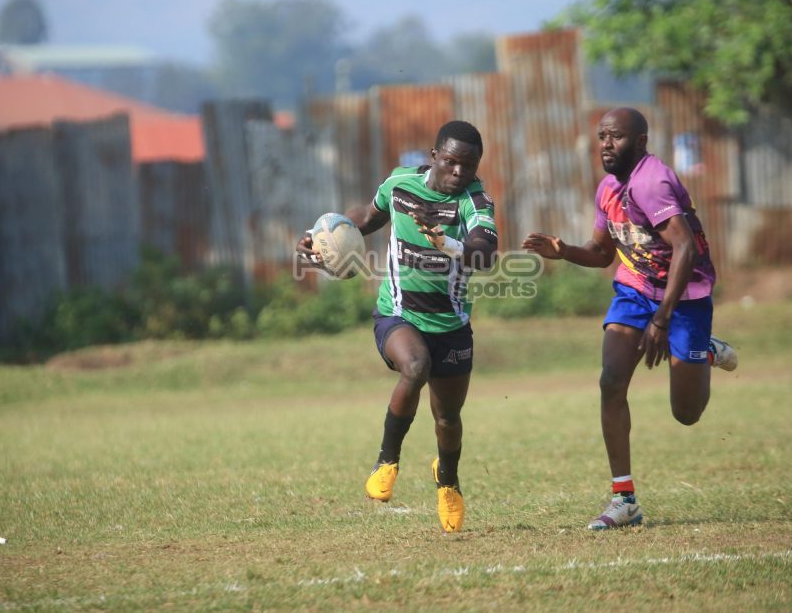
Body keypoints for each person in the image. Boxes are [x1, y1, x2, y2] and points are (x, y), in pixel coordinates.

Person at [522, 107, 737, 530]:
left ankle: (703, 351)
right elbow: (603, 253)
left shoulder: (652, 182)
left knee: (686, 413)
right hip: (635, 289)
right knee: (611, 380)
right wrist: (563, 250)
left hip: (684, 297)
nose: (606, 144)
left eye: (616, 137)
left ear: (640, 142)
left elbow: (685, 250)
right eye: (602, 136)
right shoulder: (608, 188)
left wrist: (662, 319)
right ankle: (625, 499)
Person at [296, 120, 498, 533]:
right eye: (452, 163)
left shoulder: (475, 201)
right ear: (435, 157)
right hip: (399, 314)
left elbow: (486, 250)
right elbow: (368, 217)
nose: (460, 173)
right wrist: (323, 237)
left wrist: (452, 244)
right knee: (415, 366)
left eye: (470, 165)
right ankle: (387, 459)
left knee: (447, 419)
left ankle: (448, 482)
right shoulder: (400, 183)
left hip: (451, 323)